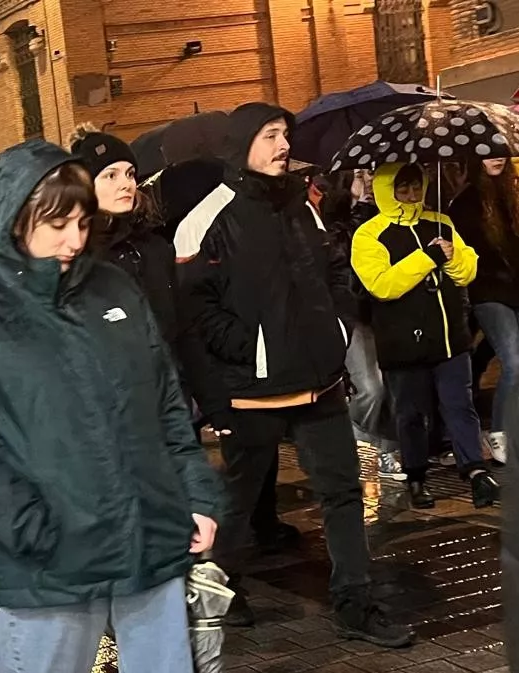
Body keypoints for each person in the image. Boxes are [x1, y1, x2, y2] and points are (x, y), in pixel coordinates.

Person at [0, 139, 221, 673]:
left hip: (149, 539)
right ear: (15, 217)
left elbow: (165, 403)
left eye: (81, 222)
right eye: (56, 224)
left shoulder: (113, 287)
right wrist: (27, 525)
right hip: (52, 565)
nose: (73, 239)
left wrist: (196, 494)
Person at [172, 103, 413, 646]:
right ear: (242, 144)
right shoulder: (207, 216)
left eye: (285, 134)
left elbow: (332, 270)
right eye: (271, 135)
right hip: (253, 390)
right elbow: (195, 308)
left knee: (343, 491)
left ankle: (355, 602)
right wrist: (252, 349)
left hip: (319, 380)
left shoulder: (302, 207)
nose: (284, 145)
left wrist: (337, 328)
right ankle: (223, 586)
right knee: (239, 496)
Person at [74, 127, 300, 553]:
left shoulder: (154, 249)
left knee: (185, 509)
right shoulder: (80, 261)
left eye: (128, 173)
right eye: (109, 176)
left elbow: (183, 332)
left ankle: (203, 588)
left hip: (170, 408)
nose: (125, 183)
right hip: (113, 420)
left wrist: (217, 406)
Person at [352, 163, 499, 509]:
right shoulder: (369, 234)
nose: (412, 195)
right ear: (389, 190)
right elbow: (382, 285)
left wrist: (449, 259)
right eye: (403, 189)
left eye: (416, 187)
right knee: (411, 413)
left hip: (450, 336)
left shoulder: (440, 222)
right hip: (403, 343)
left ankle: (476, 471)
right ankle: (416, 476)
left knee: (460, 405)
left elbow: (467, 271)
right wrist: (427, 257)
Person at [317, 173, 405, 481]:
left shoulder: (390, 214)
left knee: (394, 387)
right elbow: (341, 262)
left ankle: (383, 450)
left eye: (372, 172)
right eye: (360, 175)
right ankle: (355, 443)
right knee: (370, 388)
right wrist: (360, 215)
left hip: (385, 311)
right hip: (351, 315)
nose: (367, 180)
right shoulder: (331, 215)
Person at [448, 157, 519, 463]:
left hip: (515, 289)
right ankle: (500, 434)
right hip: (487, 292)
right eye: (488, 151)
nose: (497, 156)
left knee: (498, 357)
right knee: (514, 362)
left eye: (500, 149)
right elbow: (470, 255)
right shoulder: (465, 202)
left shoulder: (510, 195)